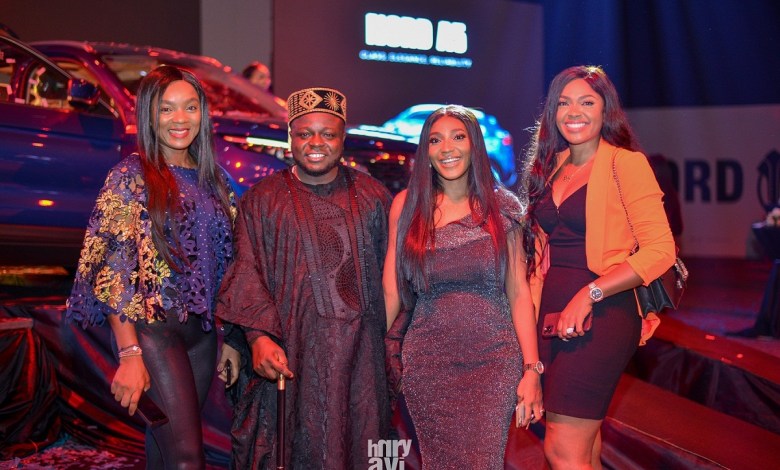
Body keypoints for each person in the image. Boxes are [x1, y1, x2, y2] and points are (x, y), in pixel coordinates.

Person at [65, 65, 237, 468]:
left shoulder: (216, 180)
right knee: (187, 458)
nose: (180, 119)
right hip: (152, 333)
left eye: (190, 107)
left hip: (201, 335)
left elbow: (232, 265)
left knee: (165, 452)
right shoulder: (130, 176)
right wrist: (129, 353)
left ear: (203, 113)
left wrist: (233, 337)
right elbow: (111, 269)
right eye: (166, 109)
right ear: (149, 115)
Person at [216, 87, 393, 468]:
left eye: (328, 134)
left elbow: (393, 281)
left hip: (362, 363)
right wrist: (257, 337)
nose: (316, 143)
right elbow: (245, 270)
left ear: (343, 138)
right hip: (291, 355)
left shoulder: (375, 198)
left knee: (365, 446)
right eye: (304, 133)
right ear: (290, 137)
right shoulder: (262, 200)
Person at [523, 65, 675, 469]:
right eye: (564, 103)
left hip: (604, 311)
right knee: (581, 446)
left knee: (561, 448)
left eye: (586, 102)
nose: (574, 112)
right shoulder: (550, 166)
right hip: (551, 316)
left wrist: (590, 294)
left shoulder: (626, 164)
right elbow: (536, 255)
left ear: (606, 110)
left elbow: (661, 249)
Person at [383, 105, 543, 469]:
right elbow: (391, 291)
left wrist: (532, 370)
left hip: (493, 361)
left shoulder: (502, 207)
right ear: (425, 151)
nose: (447, 148)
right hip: (428, 364)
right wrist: (372, 356)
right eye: (435, 140)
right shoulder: (407, 206)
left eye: (458, 137)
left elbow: (519, 294)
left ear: (475, 146)